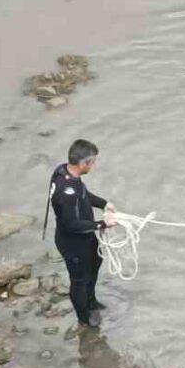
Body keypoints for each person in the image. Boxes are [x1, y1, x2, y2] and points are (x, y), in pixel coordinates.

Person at [47, 139, 116, 328]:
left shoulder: (64, 171)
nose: (93, 165)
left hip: (86, 237)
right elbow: (72, 224)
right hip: (73, 242)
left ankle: (91, 301)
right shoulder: (66, 193)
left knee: (96, 263)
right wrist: (102, 224)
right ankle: (83, 317)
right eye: (92, 162)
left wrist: (104, 204)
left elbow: (83, 194)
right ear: (84, 163)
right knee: (79, 280)